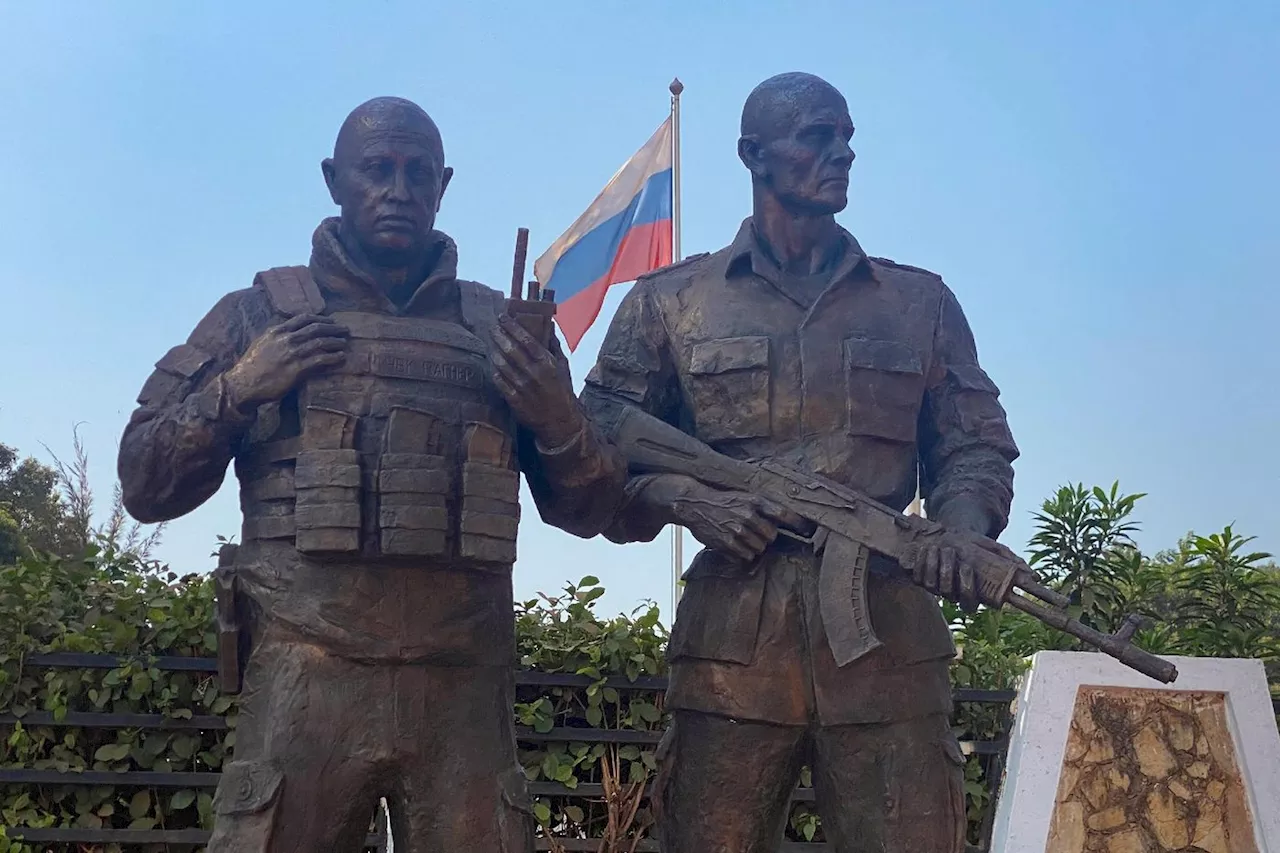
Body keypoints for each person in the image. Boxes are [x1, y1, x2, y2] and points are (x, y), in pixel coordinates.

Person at [118, 96, 625, 852]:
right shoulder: (256, 317)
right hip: (305, 681)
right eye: (377, 169)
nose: (399, 188)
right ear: (334, 180)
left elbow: (593, 510)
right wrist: (238, 390)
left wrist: (556, 416)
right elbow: (144, 481)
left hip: (460, 687)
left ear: (444, 184)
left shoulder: (504, 333)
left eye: (419, 172)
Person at [579, 72, 1020, 853]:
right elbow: (595, 459)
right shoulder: (668, 303)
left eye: (846, 136)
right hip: (730, 660)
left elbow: (974, 446)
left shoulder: (921, 304)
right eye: (818, 136)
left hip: (888, 649)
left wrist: (961, 530)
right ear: (754, 154)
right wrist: (685, 497)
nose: (841, 153)